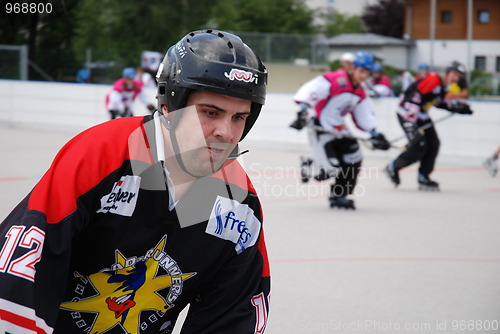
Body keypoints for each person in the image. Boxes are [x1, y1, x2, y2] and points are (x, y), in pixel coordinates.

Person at [0, 29, 270, 334]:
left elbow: (233, 314)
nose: (226, 132)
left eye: (239, 117)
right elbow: (22, 273)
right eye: (210, 112)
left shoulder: (237, 200)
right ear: (169, 106)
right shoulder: (102, 153)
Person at [289, 50, 391, 209]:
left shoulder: (359, 91)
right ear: (354, 68)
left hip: (340, 130)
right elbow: (312, 89)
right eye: (361, 71)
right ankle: (308, 167)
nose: (364, 76)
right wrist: (303, 111)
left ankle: (338, 195)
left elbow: (363, 114)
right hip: (321, 129)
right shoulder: (338, 80)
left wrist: (374, 134)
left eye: (367, 73)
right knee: (328, 171)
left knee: (354, 159)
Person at [385, 60, 473, 191]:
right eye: (454, 74)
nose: (456, 78)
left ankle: (423, 176)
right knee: (419, 145)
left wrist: (457, 107)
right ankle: (393, 167)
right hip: (407, 114)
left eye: (458, 77)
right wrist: (410, 124)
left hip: (421, 115)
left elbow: (437, 101)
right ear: (448, 72)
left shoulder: (444, 85)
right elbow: (415, 98)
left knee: (433, 144)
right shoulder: (433, 80)